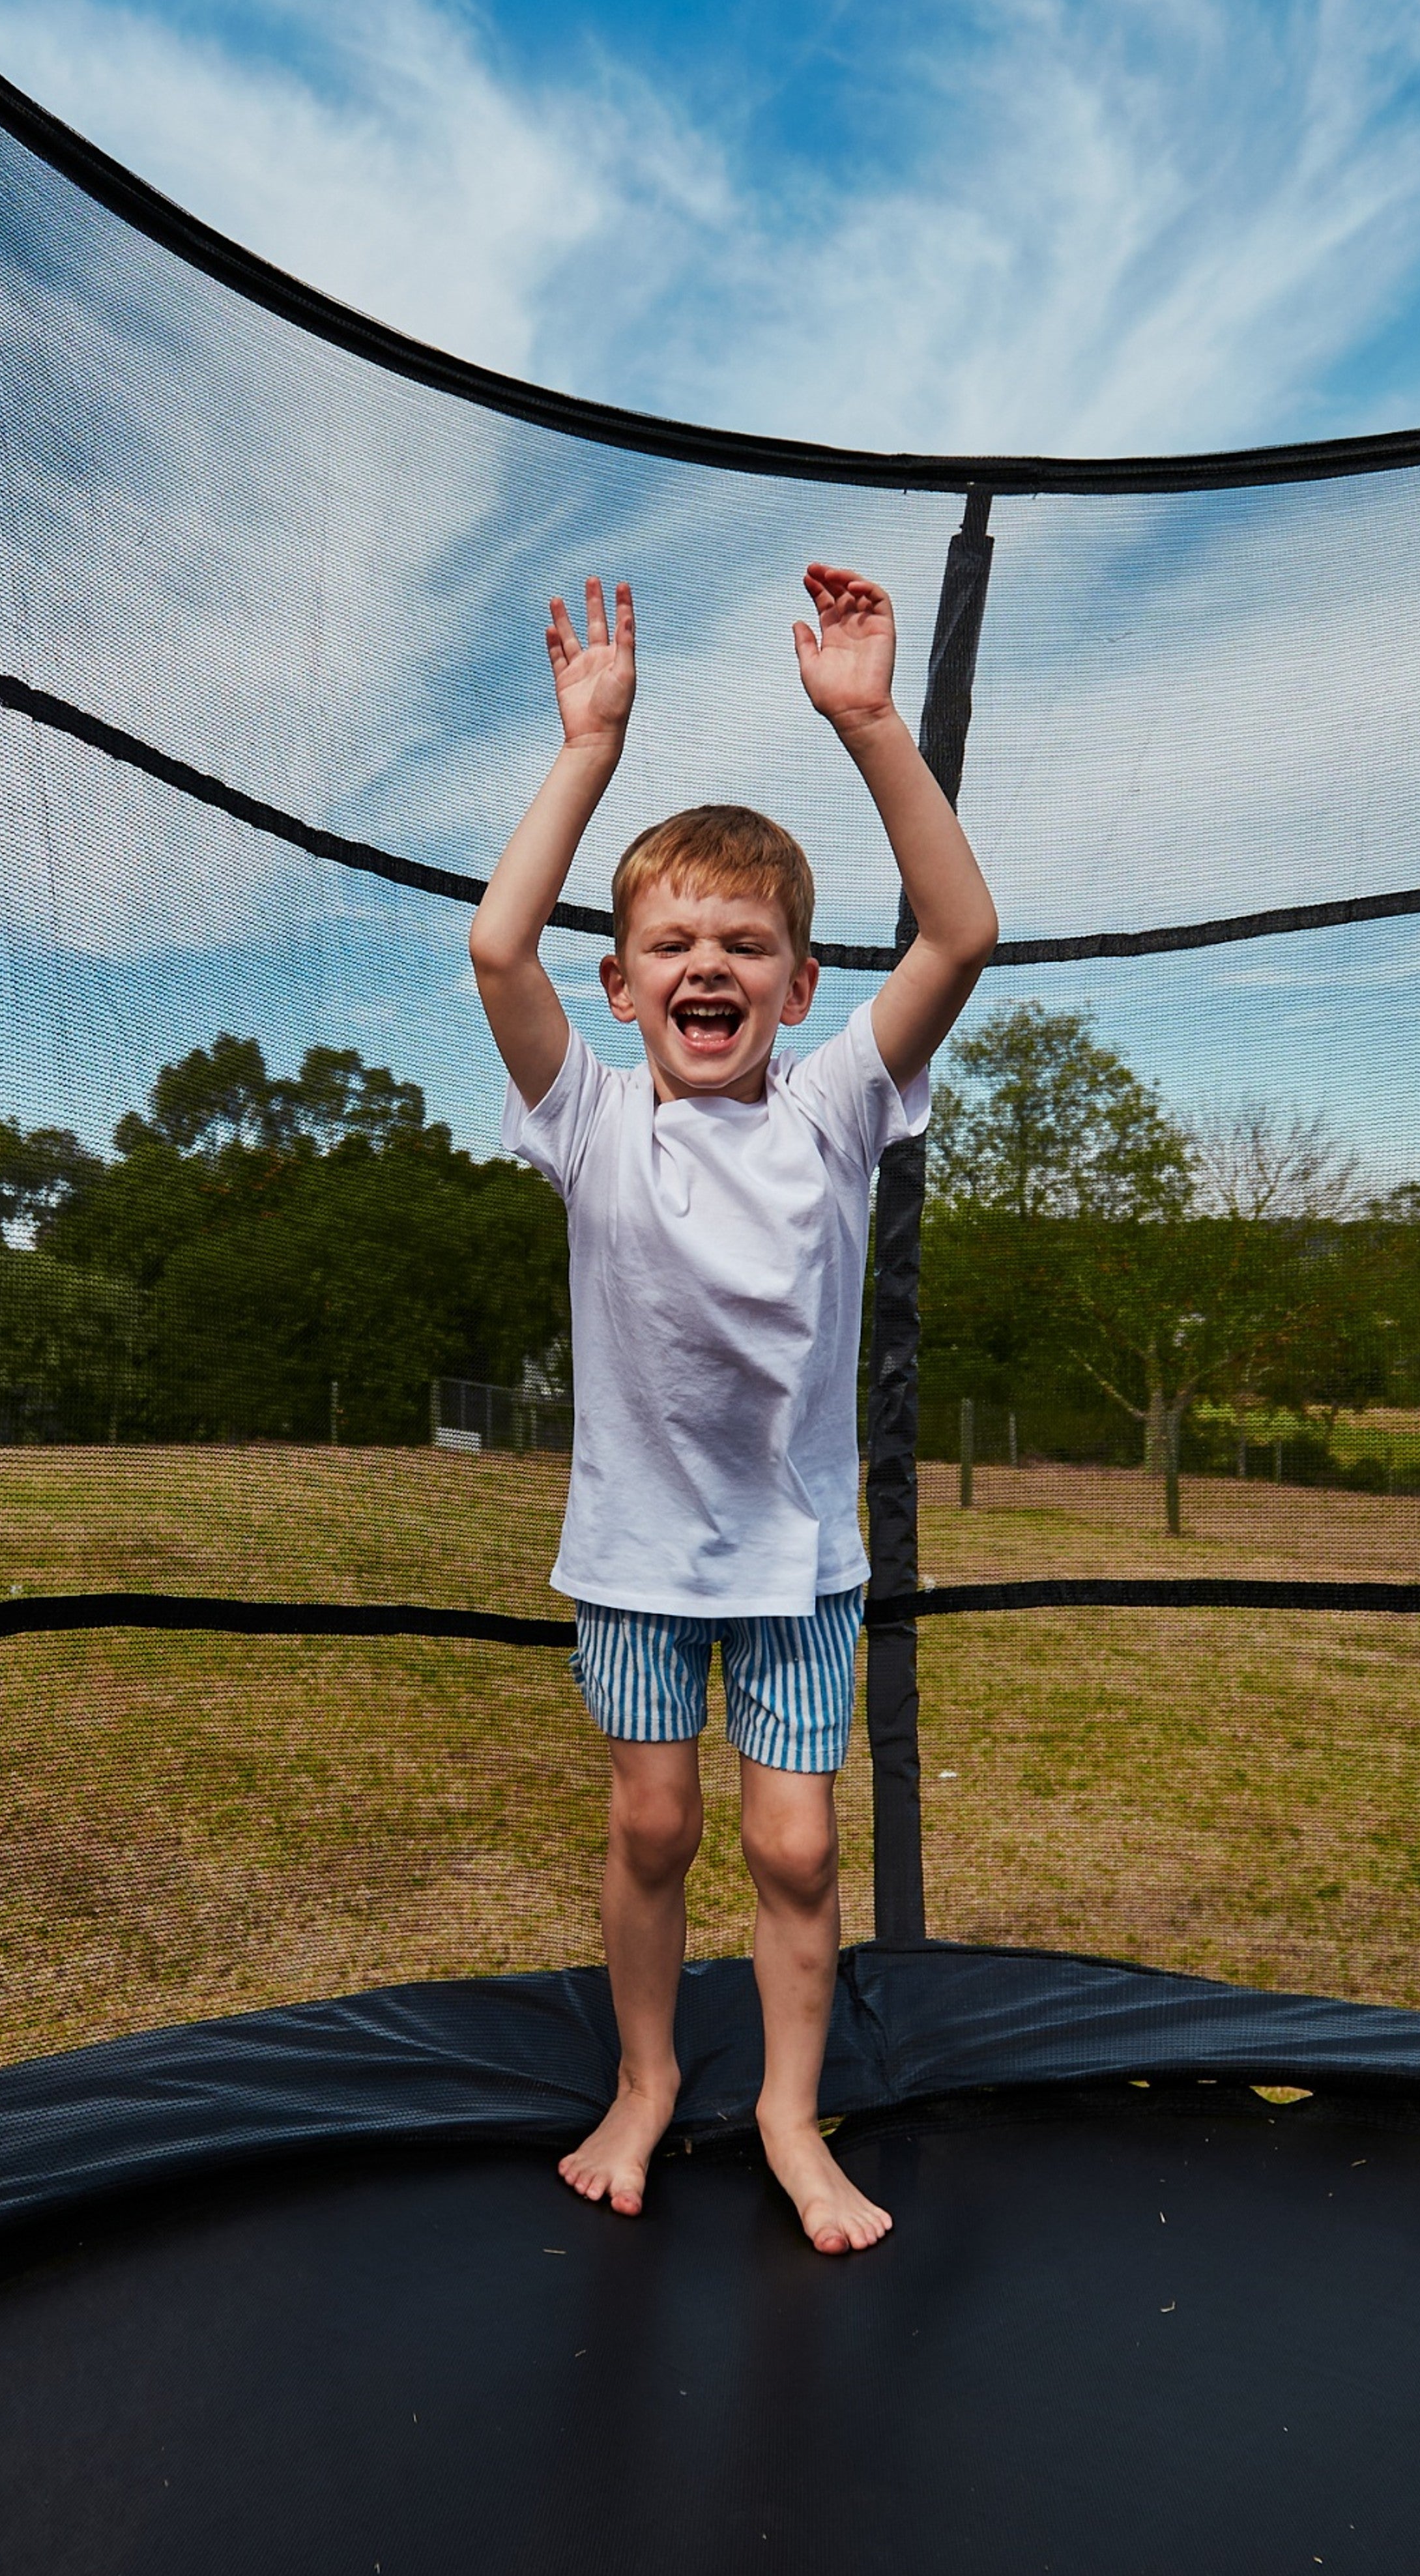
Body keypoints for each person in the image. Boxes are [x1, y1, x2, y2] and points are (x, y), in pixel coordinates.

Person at [469, 564, 996, 2253]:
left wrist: (866, 724)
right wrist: (590, 746)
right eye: (673, 943)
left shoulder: (836, 1111)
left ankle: (782, 2105)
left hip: (795, 1565)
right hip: (630, 1554)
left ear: (793, 983)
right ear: (622, 987)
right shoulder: (590, 1117)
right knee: (652, 1816)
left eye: (743, 945)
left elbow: (960, 931)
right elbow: (497, 942)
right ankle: (640, 2081)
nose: (707, 960)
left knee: (785, 1845)